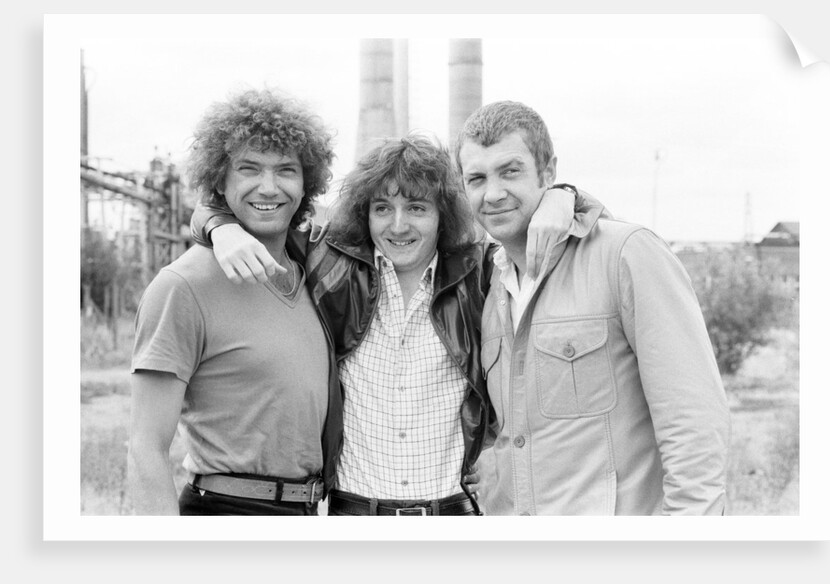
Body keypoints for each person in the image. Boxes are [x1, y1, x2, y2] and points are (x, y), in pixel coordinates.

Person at [192, 133, 585, 515]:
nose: (398, 226)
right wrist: (219, 227)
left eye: (416, 208)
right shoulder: (327, 261)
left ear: (443, 214)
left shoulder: (480, 272)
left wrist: (563, 195)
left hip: (454, 516)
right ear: (364, 213)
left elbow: (581, 224)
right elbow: (232, 213)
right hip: (354, 518)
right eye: (382, 208)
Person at [455, 100, 730, 515]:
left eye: (510, 171)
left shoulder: (625, 255)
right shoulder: (490, 287)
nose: (492, 193)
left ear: (548, 173)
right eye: (477, 178)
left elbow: (694, 424)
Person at [128, 88, 343, 515]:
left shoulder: (314, 273)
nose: (269, 187)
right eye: (249, 168)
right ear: (219, 182)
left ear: (306, 183)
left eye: (286, 170)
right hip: (225, 511)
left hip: (305, 513)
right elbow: (145, 447)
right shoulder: (182, 286)